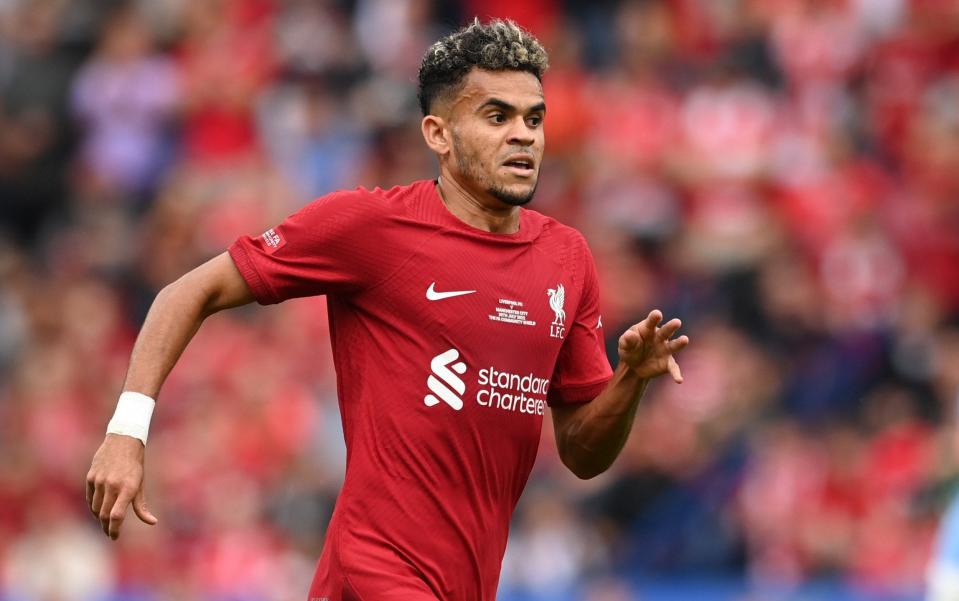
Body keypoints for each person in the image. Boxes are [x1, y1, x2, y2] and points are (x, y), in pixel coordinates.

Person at [85, 19, 689, 601]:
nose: (524, 135)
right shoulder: (371, 227)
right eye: (496, 116)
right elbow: (187, 292)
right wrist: (126, 433)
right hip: (374, 569)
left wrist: (630, 380)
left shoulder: (567, 257)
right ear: (438, 134)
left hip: (471, 580)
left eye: (534, 119)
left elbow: (583, 455)